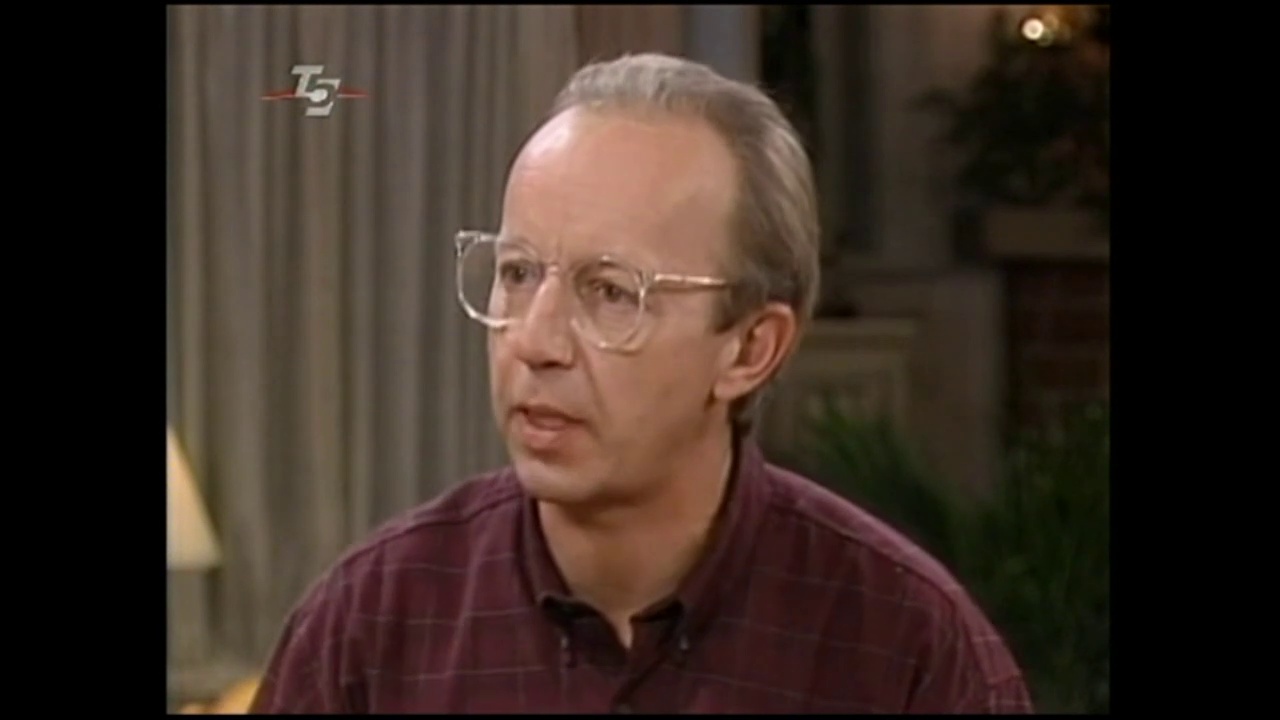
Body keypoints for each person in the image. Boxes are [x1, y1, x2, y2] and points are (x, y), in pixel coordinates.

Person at [249, 52, 1033, 714]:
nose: (534, 341)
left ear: (750, 347)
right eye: (518, 274)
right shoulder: (371, 631)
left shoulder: (909, 654)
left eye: (611, 291)